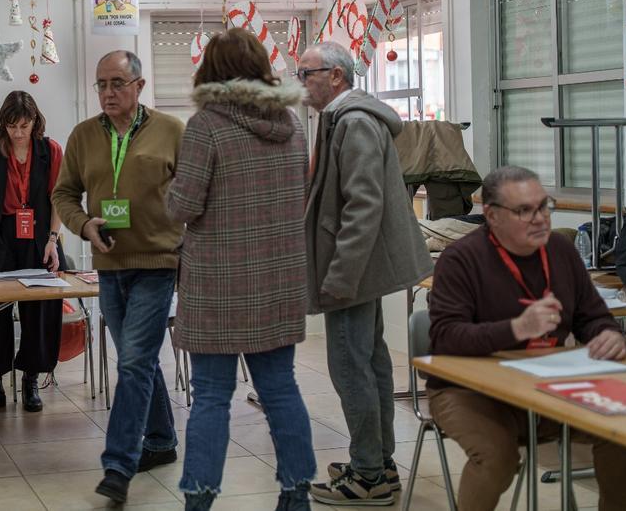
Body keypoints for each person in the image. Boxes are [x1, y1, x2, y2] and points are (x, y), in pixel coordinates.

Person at [428, 166, 626, 511]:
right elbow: (446, 337)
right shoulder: (461, 259)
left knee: (625, 437)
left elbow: (593, 316)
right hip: (468, 390)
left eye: (544, 206)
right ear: (492, 215)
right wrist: (516, 329)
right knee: (496, 457)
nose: (539, 219)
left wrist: (611, 336)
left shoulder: (560, 250)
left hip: (546, 382)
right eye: (525, 210)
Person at [166, 28, 314, 511]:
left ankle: (199, 500)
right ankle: (296, 494)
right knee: (281, 391)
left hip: (219, 288)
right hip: (278, 281)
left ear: (210, 71)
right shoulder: (292, 124)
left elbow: (183, 206)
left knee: (211, 396)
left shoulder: (206, 125)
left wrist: (166, 189)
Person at [297, 41, 432, 506]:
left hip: (352, 272)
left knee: (351, 367)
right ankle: (377, 462)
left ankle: (370, 476)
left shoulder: (352, 122)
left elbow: (363, 207)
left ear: (336, 76)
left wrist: (340, 276)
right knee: (370, 363)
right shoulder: (342, 117)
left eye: (307, 73)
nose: (302, 83)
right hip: (359, 269)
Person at [52, 50, 184, 505]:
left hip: (157, 264)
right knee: (137, 359)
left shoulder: (172, 132)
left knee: (131, 363)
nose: (107, 93)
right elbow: (65, 193)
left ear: (139, 86)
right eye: (101, 84)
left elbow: (193, 195)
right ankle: (162, 440)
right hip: (108, 269)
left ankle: (119, 464)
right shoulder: (84, 136)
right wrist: (84, 224)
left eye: (117, 84)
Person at [0, 90, 67, 413]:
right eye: (12, 126)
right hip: (1, 235)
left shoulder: (50, 150)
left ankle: (31, 379)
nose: (17, 133)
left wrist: (53, 240)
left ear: (34, 123)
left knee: (40, 310)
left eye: (24, 126)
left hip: (40, 235)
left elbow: (58, 197)